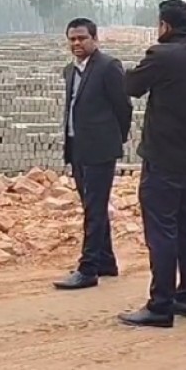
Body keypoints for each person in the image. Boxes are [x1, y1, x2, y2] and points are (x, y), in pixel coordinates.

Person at [118, 0, 186, 328]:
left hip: (165, 158)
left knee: (162, 232)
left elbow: (132, 87)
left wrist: (120, 70)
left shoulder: (161, 56)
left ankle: (160, 305)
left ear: (164, 26)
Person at [53, 18, 133, 290]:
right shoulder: (70, 71)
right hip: (77, 148)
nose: (77, 43)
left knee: (95, 209)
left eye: (82, 38)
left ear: (94, 39)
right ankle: (106, 261)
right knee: (91, 206)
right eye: (72, 39)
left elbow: (123, 107)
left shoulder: (108, 67)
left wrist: (114, 139)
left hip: (100, 149)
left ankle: (88, 269)